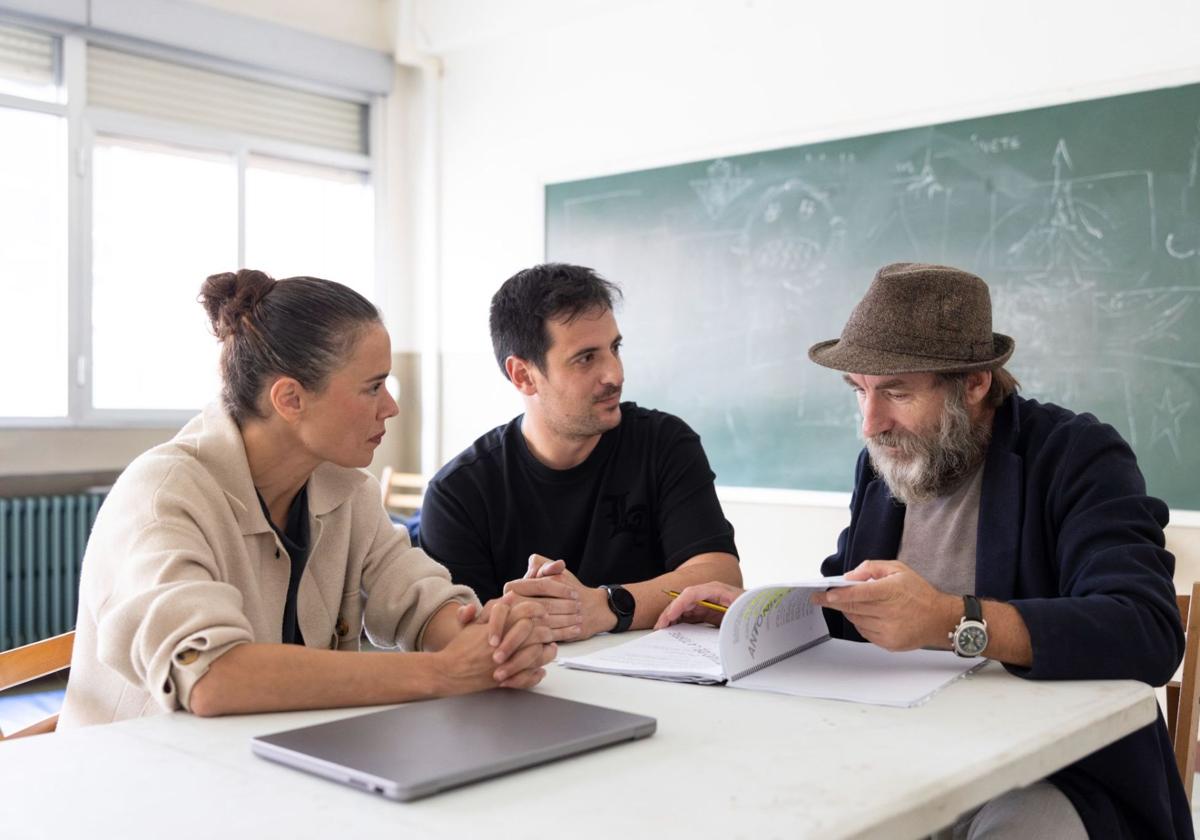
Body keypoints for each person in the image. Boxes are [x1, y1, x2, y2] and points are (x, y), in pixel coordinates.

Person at [657, 263, 1191, 839]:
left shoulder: (1075, 456)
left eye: (896, 392)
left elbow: (1146, 630)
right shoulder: (884, 464)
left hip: (1050, 772)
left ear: (975, 382)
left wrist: (951, 620)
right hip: (899, 752)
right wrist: (749, 612)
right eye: (859, 391)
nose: (870, 423)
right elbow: (851, 613)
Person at [59, 269, 555, 727]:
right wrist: (440, 673)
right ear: (290, 399)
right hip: (140, 793)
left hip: (267, 768)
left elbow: (420, 601)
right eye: (373, 387)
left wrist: (493, 640)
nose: (391, 407)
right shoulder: (163, 495)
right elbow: (211, 678)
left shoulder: (345, 487)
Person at [419, 263, 742, 642]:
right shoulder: (458, 493)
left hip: (656, 695)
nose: (615, 374)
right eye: (586, 358)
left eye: (615, 348)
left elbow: (720, 577)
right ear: (523, 375)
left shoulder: (664, 443)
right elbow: (458, 636)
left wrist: (606, 605)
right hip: (525, 695)